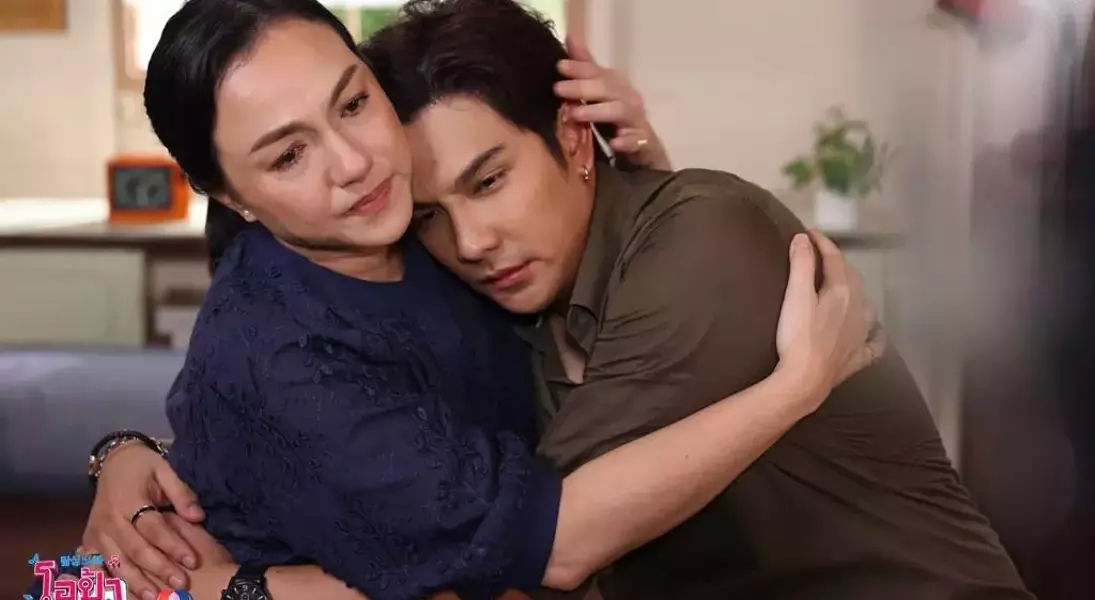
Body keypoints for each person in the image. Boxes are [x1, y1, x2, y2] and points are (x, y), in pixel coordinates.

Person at [68, 1, 878, 600]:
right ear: (230, 195)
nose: (354, 162)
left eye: (352, 103)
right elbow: (555, 548)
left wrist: (623, 180)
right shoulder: (287, 349)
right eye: (288, 157)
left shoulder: (413, 224)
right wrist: (793, 389)